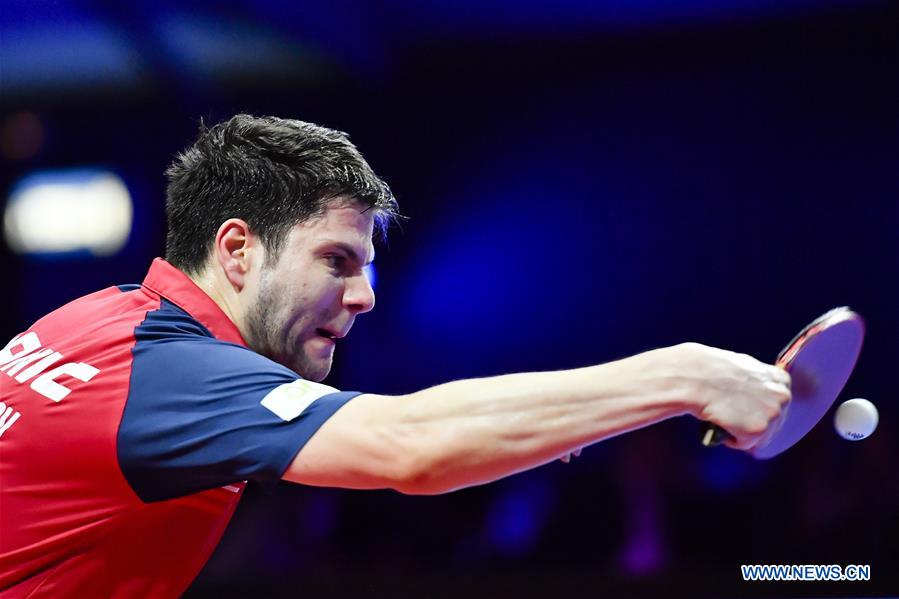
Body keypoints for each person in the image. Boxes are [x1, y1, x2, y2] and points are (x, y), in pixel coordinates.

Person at [0, 114, 791, 597]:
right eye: (335, 260)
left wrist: (548, 419)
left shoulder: (94, 319)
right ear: (238, 249)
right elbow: (410, 445)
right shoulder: (177, 375)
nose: (363, 296)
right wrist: (685, 374)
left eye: (366, 268)